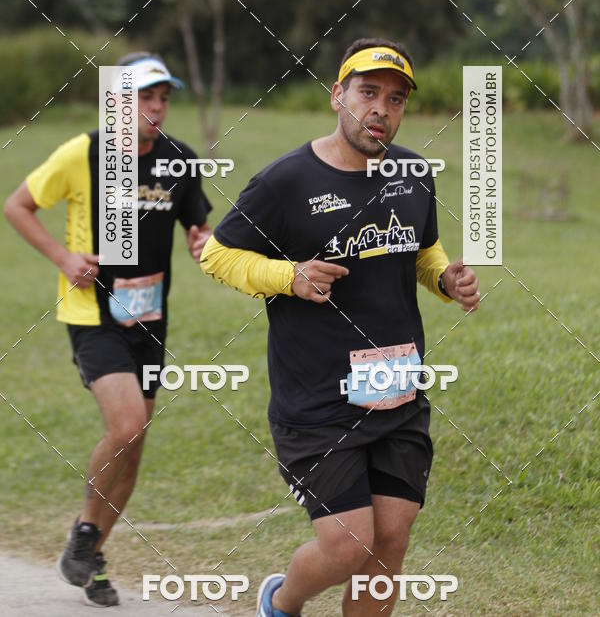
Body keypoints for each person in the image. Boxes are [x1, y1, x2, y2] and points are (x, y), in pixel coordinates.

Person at [200, 37, 480, 617]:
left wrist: (447, 282)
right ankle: (281, 601)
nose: (382, 108)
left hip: (399, 390)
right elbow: (217, 254)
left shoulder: (413, 172)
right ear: (338, 95)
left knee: (392, 540)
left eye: (396, 99)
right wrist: (290, 275)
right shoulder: (286, 181)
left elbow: (422, 251)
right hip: (317, 401)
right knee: (349, 544)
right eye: (368, 92)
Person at [4, 52, 212, 607]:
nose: (157, 107)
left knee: (135, 447)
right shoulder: (84, 153)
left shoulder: (178, 160)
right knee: (127, 425)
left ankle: (90, 555)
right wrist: (64, 257)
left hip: (149, 318)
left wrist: (201, 241)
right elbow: (18, 205)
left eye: (164, 97)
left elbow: (199, 225)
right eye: (145, 96)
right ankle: (84, 538)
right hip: (92, 313)